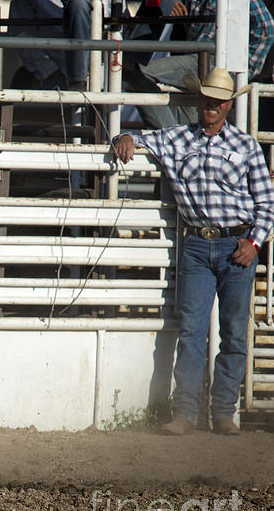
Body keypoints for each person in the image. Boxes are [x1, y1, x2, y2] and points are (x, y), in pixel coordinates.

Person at [113, 68, 274, 436]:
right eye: (207, 99)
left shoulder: (245, 146)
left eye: (219, 100)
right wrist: (124, 137)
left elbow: (266, 203)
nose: (212, 105)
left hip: (238, 244)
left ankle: (223, 412)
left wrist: (253, 243)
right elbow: (140, 138)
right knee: (192, 330)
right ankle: (185, 411)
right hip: (198, 245)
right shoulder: (177, 138)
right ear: (200, 101)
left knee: (232, 332)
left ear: (229, 105)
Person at [123, 0, 274, 128]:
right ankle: (181, 143)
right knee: (190, 116)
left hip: (212, 62)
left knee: (135, 73)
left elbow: (267, 28)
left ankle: (173, 139)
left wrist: (244, 71)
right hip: (196, 61)